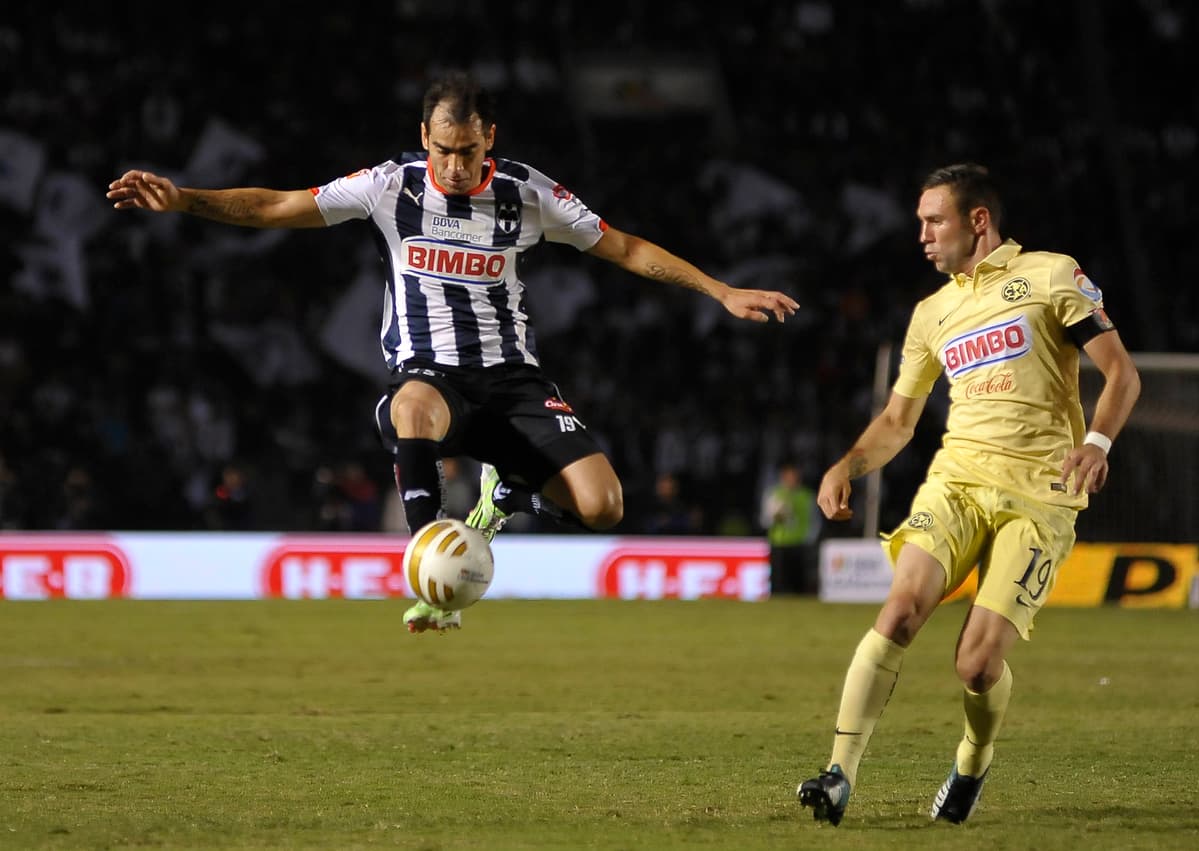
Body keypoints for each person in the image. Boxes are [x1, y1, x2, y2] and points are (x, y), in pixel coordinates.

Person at [107, 70, 799, 633]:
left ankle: (509, 492)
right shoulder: (389, 187)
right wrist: (183, 200)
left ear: (488, 139)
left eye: (468, 150)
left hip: (514, 381)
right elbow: (276, 207)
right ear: (424, 138)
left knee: (606, 505)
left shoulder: (526, 194)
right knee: (412, 404)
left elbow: (623, 247)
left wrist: (719, 290)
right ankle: (427, 559)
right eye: (443, 149)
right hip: (432, 378)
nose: (455, 164)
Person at [796, 163, 1140, 826]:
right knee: (899, 613)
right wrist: (847, 464)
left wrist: (1095, 444)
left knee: (977, 665)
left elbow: (1122, 373)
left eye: (935, 220)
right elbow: (898, 420)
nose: (921, 234)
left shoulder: (1050, 275)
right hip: (956, 483)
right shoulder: (932, 313)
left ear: (977, 220)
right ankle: (838, 774)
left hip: (1041, 494)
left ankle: (972, 761)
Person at [759, 460, 817, 595]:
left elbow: (814, 520)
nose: (791, 479)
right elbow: (764, 519)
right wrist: (775, 517)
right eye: (788, 476)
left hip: (800, 543)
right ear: (782, 477)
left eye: (793, 475)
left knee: (799, 583)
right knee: (778, 583)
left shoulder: (806, 495)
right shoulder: (773, 494)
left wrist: (810, 538)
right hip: (779, 542)